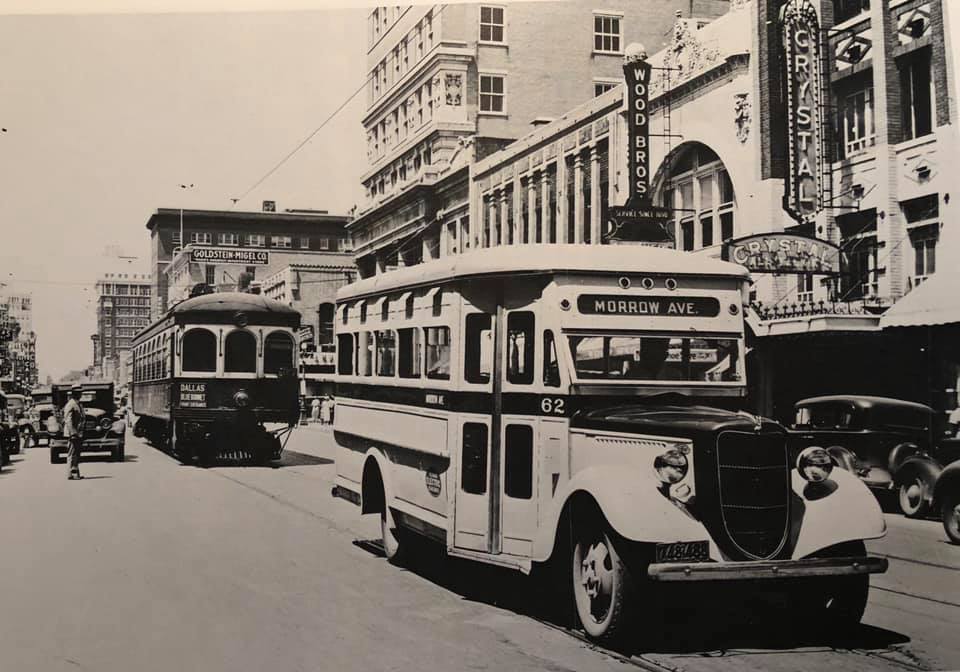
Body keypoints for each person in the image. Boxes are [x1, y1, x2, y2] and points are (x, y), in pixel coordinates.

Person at [63, 384, 85, 480]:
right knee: (72, 453)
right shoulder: (71, 404)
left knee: (76, 453)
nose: (80, 394)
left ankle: (74, 473)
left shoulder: (78, 404)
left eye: (80, 393)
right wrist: (73, 433)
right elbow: (68, 420)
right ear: (74, 394)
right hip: (73, 433)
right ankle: (72, 473)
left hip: (78, 432)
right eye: (78, 393)